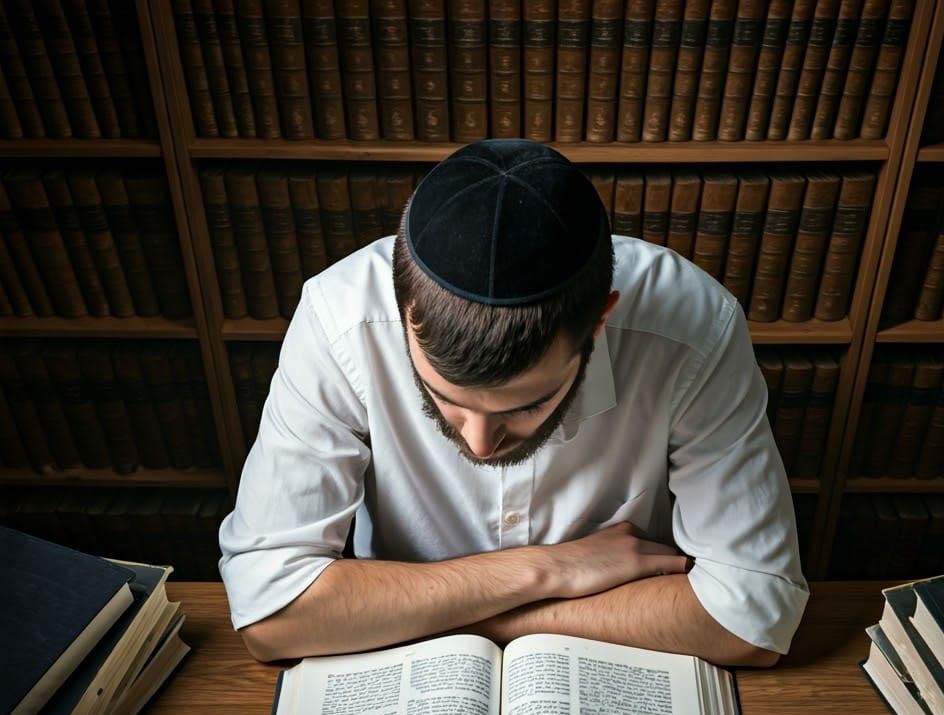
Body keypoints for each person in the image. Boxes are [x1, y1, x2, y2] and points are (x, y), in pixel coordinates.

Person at [219, 139, 808, 666]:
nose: (479, 443)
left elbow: (752, 619)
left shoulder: (695, 327)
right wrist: (548, 570)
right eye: (444, 399)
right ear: (405, 317)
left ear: (599, 324)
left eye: (525, 406)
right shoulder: (338, 318)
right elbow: (272, 615)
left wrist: (423, 614)